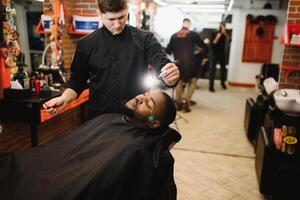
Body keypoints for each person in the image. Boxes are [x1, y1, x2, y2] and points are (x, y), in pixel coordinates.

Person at [0, 90, 181, 200]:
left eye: (149, 103)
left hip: (67, 186)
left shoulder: (137, 149)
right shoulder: (110, 120)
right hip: (55, 168)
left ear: (154, 123)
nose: (141, 97)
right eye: (146, 94)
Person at [43, 0, 180, 119]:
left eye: (121, 17)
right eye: (111, 19)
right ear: (100, 14)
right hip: (100, 116)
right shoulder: (86, 44)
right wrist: (63, 99)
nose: (117, 24)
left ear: (126, 9)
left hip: (135, 116)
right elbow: (77, 82)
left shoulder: (145, 39)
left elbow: (162, 66)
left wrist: (170, 77)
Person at [165, 18, 207, 112]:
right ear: (189, 24)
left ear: (182, 24)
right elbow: (203, 47)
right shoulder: (193, 35)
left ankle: (178, 103)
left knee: (178, 81)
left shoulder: (174, 36)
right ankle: (187, 103)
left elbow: (168, 51)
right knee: (193, 80)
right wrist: (197, 52)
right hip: (191, 63)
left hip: (179, 63)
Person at [209, 21, 229, 92]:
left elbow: (229, 40)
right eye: (221, 26)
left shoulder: (225, 34)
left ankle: (222, 83)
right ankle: (211, 86)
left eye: (223, 26)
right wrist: (218, 36)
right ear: (219, 26)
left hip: (222, 54)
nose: (222, 27)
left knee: (223, 70)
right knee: (212, 70)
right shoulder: (214, 33)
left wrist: (224, 33)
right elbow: (212, 44)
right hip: (214, 54)